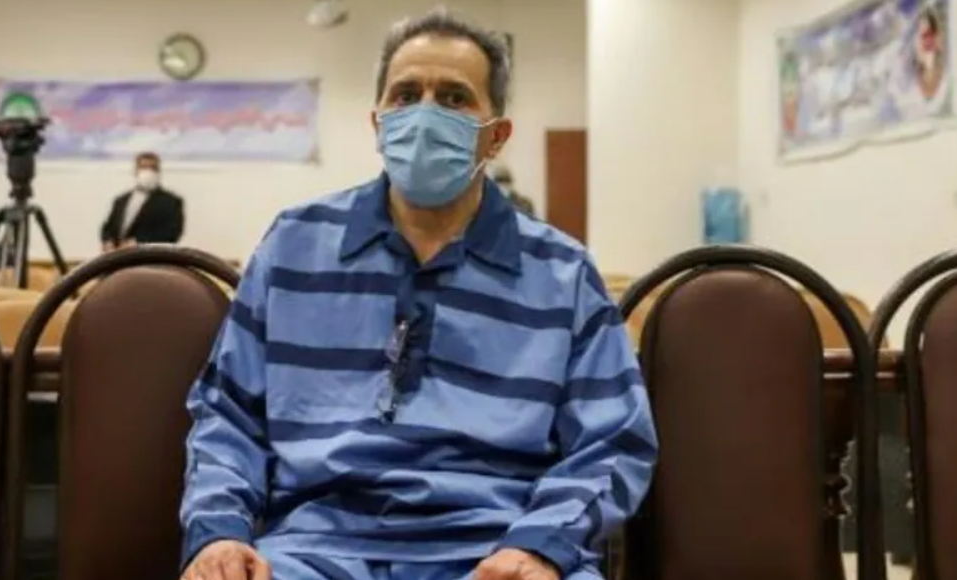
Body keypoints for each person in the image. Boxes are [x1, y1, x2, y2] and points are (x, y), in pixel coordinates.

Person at [179, 10, 657, 580]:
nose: (425, 114)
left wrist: (542, 546)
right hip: (312, 550)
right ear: (378, 122)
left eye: (454, 98)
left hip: (499, 551)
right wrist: (219, 532)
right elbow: (227, 416)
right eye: (406, 95)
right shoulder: (294, 246)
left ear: (496, 136)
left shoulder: (563, 273)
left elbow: (613, 441)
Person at [100, 152, 185, 251]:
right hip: (119, 256)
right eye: (143, 167)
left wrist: (139, 242)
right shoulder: (121, 200)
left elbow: (171, 233)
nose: (148, 172)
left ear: (158, 172)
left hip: (150, 257)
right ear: (136, 171)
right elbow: (108, 227)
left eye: (152, 168)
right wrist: (107, 241)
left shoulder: (171, 202)